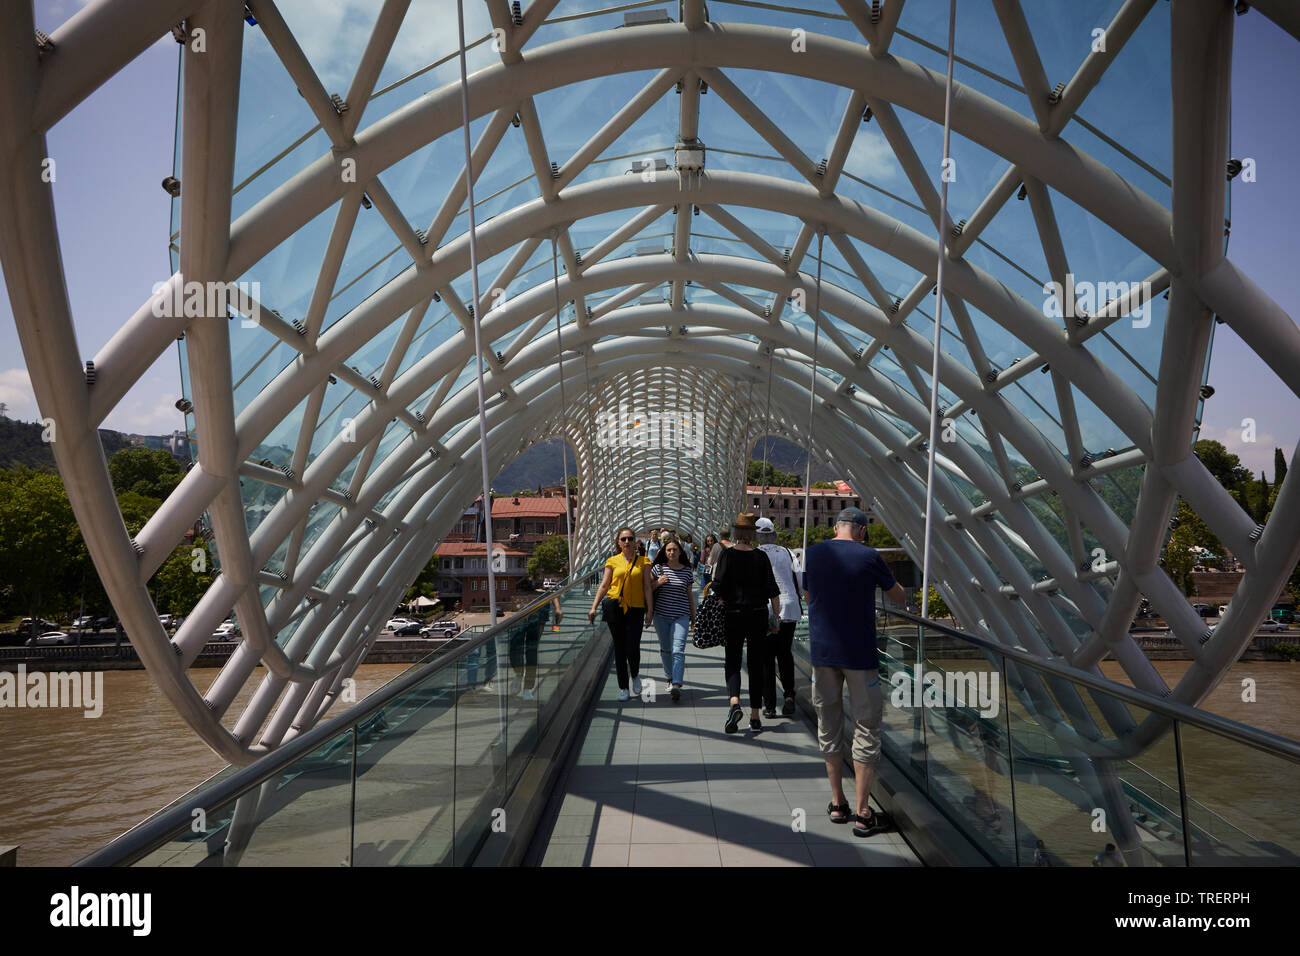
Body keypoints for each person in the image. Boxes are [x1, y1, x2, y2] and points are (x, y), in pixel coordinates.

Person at [803, 506, 906, 836]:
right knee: (866, 725)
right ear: (861, 531)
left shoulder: (814, 554)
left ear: (835, 527)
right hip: (859, 655)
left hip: (822, 653)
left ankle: (837, 803)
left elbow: (808, 593)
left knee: (829, 723)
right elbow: (899, 597)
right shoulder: (869, 556)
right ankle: (863, 812)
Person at [711, 513, 780, 734]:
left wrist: (723, 599)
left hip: (733, 614)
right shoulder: (761, 557)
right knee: (755, 664)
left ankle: (734, 703)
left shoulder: (727, 555)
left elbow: (717, 585)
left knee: (732, 660)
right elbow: (773, 592)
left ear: (736, 533)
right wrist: (775, 618)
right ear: (752, 534)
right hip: (758, 614)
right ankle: (756, 716)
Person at [588, 527, 653, 701]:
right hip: (615, 608)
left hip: (636, 608)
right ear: (618, 542)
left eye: (630, 539)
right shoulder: (612, 561)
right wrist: (594, 607)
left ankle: (635, 674)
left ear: (635, 542)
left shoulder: (644, 561)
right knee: (619, 648)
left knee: (633, 645)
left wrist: (650, 611)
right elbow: (604, 585)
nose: (627, 542)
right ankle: (623, 687)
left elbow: (647, 587)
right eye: (623, 539)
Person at [756, 517, 800, 718]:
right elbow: (799, 579)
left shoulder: (755, 554)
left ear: (757, 536)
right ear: (773, 534)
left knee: (766, 658)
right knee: (784, 654)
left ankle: (770, 705)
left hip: (765, 610)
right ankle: (789, 696)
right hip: (789, 608)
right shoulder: (788, 553)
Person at [649, 537, 696, 701]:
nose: (672, 552)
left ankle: (676, 683)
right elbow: (648, 590)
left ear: (680, 552)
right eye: (669, 550)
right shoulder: (657, 569)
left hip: (681, 615)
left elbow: (690, 595)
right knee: (666, 649)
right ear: (664, 552)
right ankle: (669, 676)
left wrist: (693, 616)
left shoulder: (687, 571)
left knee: (678, 649)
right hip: (661, 615)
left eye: (675, 549)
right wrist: (658, 583)